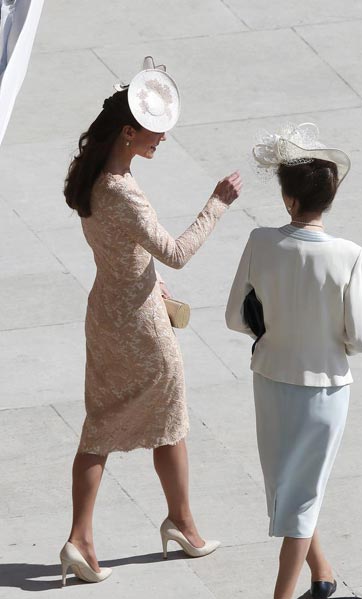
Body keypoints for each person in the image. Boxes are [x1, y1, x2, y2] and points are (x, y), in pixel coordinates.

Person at [59, 57, 242, 586]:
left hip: (105, 313)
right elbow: (177, 252)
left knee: (100, 424)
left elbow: (120, 250)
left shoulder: (94, 177)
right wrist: (217, 204)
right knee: (170, 418)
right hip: (140, 325)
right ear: (128, 131)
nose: (161, 139)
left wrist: (146, 276)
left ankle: (82, 538)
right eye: (154, 132)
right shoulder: (124, 192)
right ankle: (181, 522)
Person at [225, 123, 362, 599]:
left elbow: (235, 317)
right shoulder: (350, 255)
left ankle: (316, 578)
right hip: (325, 389)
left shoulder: (259, 241)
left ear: (288, 199)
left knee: (287, 491)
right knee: (300, 497)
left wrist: (276, 331)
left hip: (270, 379)